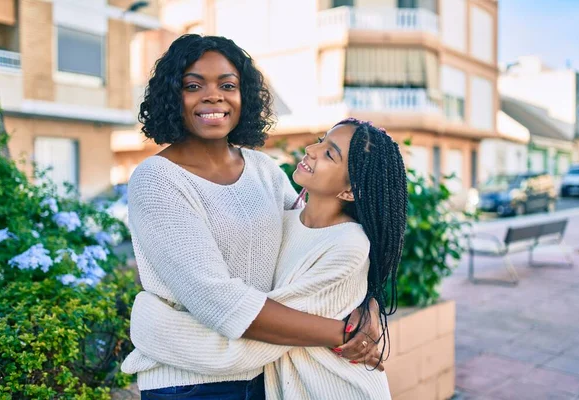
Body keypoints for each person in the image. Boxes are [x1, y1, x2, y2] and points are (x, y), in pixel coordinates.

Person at [120, 34, 383, 398]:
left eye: (228, 85)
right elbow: (218, 301)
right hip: (190, 383)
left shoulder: (263, 170)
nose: (213, 96)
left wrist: (368, 304)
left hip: (266, 373)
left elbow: (315, 240)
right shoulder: (157, 180)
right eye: (193, 85)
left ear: (244, 97)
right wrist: (343, 335)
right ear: (172, 97)